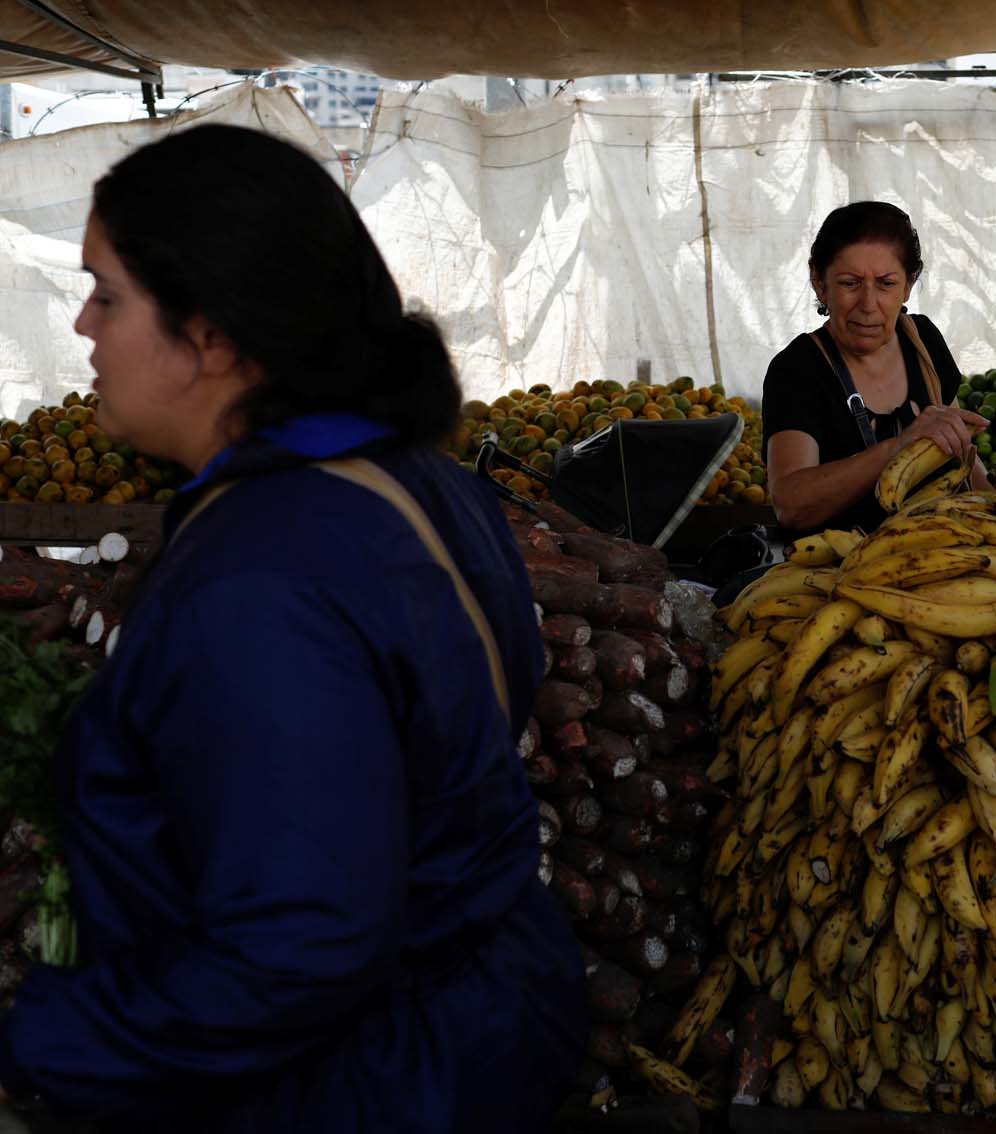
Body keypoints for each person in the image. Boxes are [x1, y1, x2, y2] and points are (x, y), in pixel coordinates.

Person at [0, 125, 585, 1131]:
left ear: (213, 336)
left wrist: (40, 1042)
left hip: (363, 1089)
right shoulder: (422, 485)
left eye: (107, 293)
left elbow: (297, 946)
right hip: (482, 1027)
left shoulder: (260, 580)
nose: (86, 329)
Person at [762, 201, 991, 534]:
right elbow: (791, 505)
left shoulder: (923, 341)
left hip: (944, 562)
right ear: (819, 282)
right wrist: (899, 446)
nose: (868, 305)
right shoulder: (797, 369)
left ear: (908, 284)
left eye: (885, 284)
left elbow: (961, 451)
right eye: (850, 283)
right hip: (844, 576)